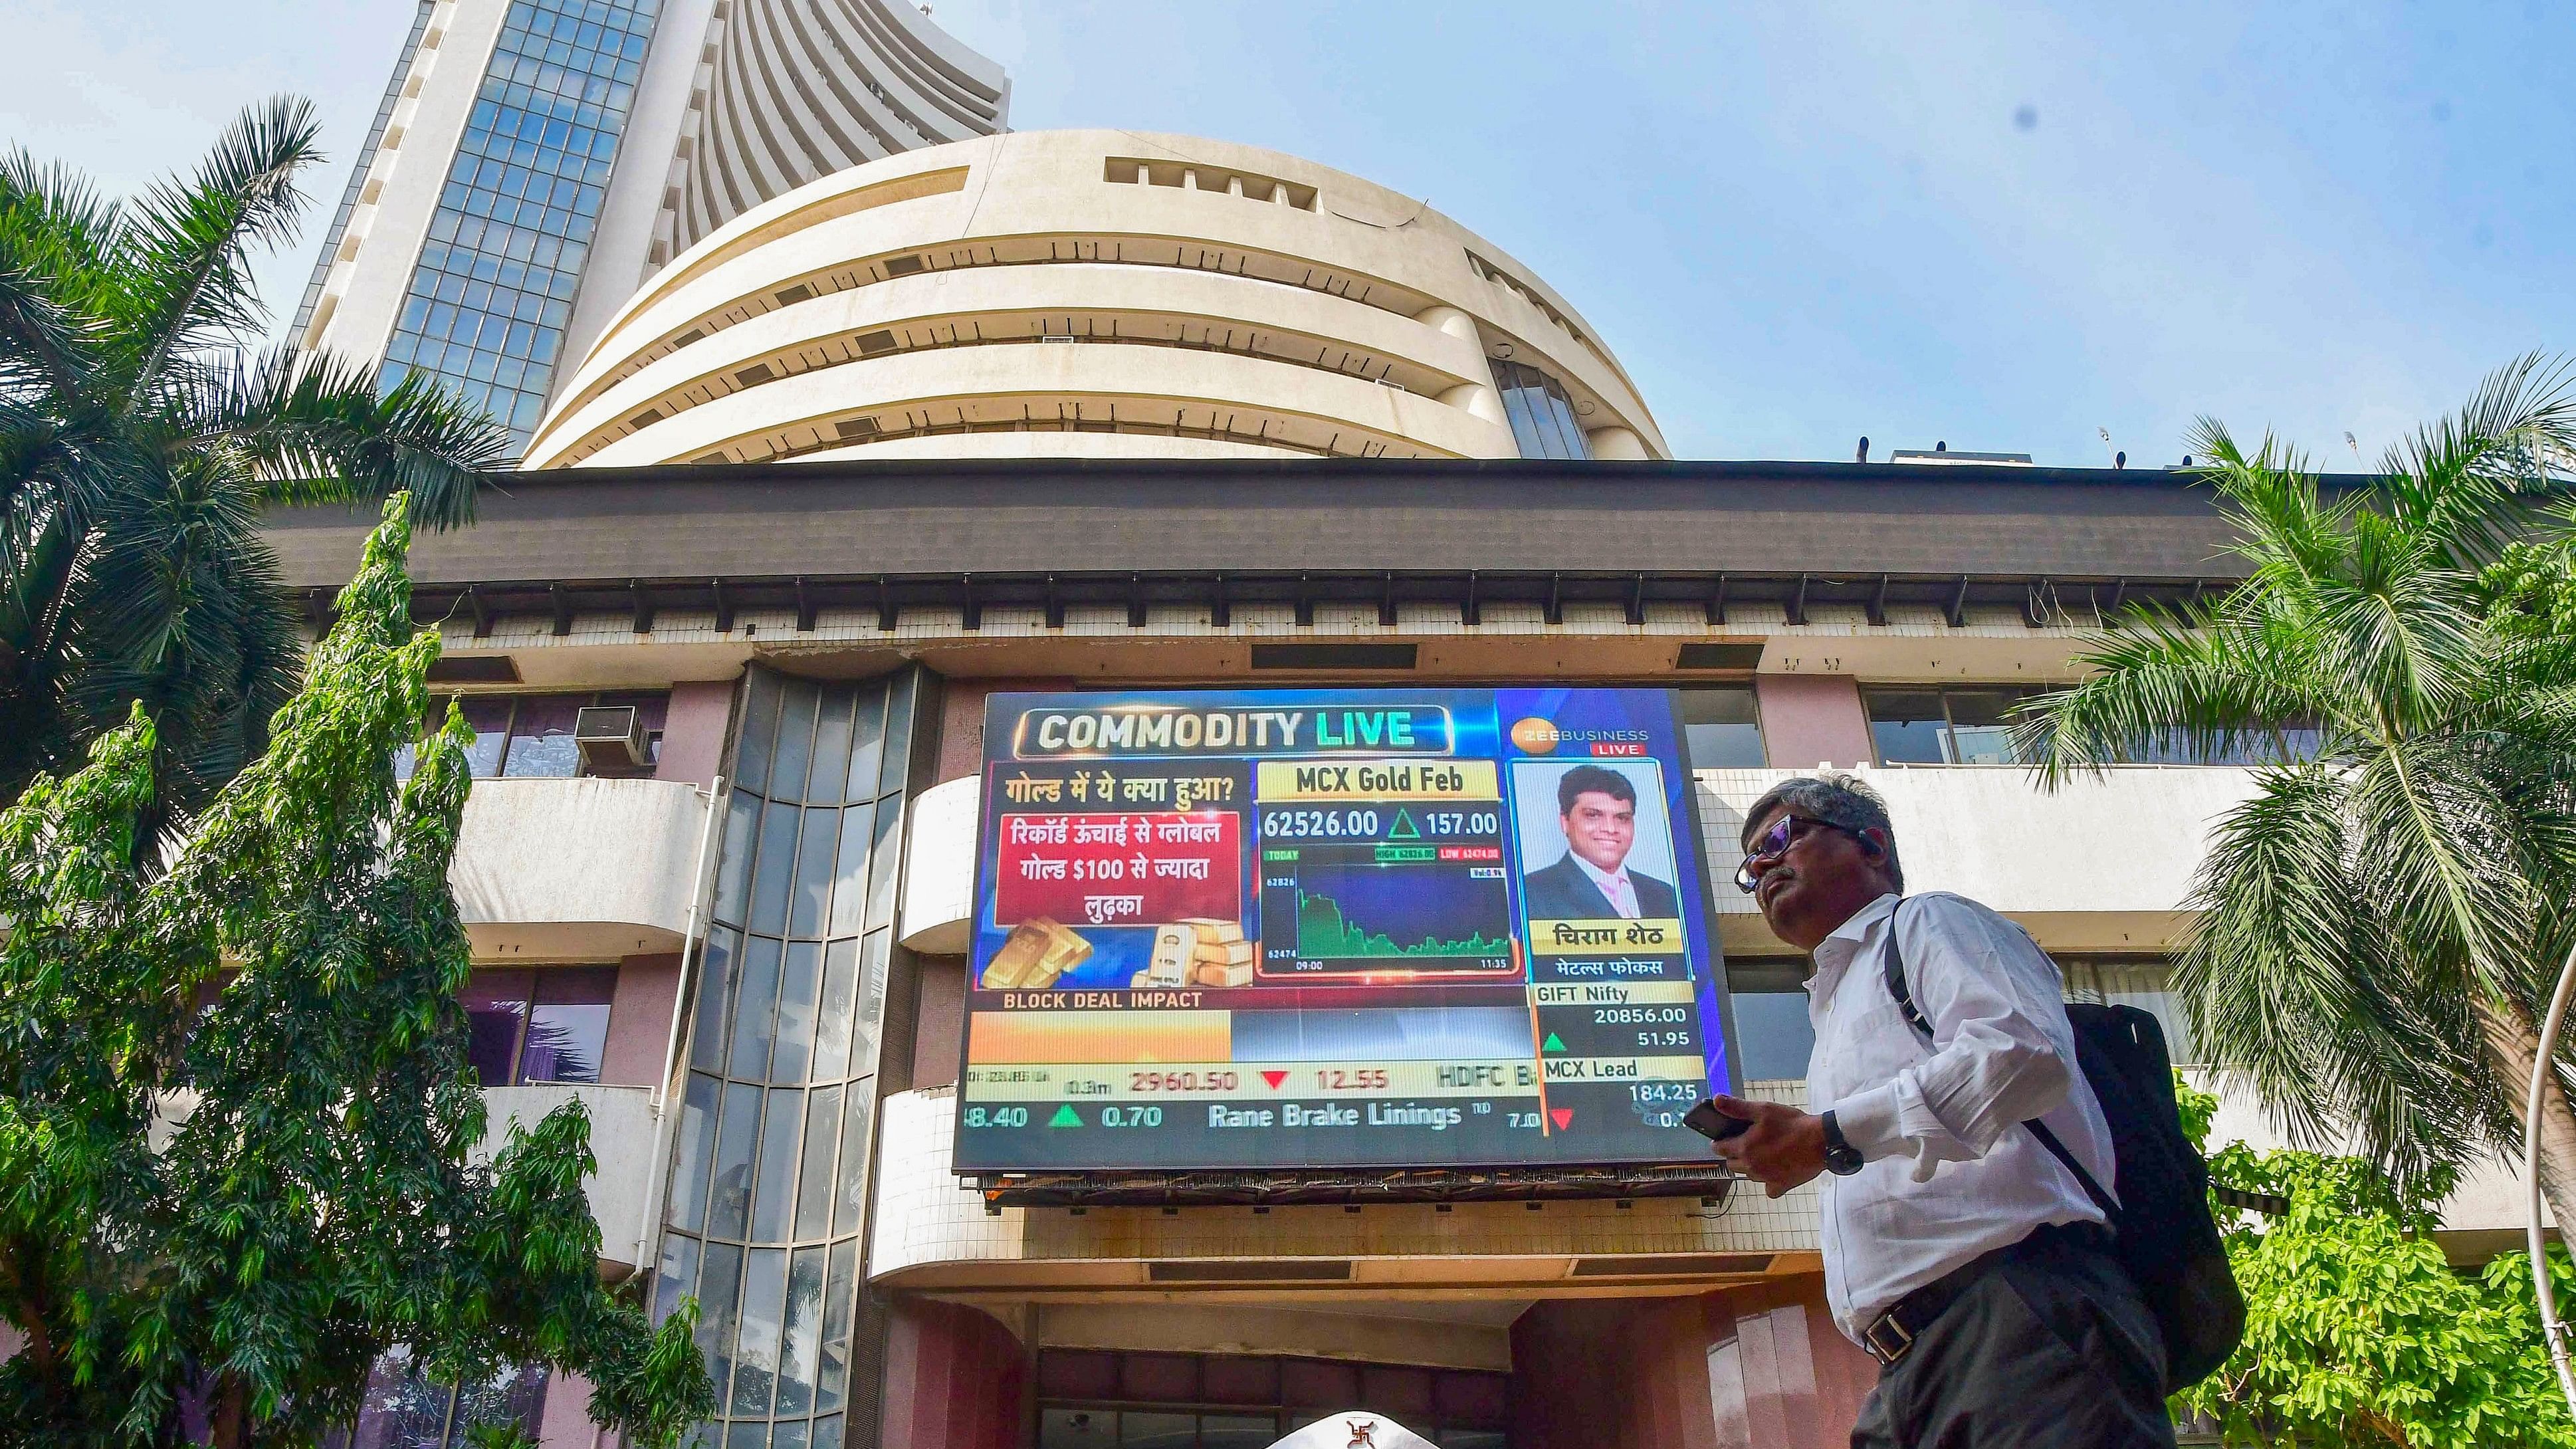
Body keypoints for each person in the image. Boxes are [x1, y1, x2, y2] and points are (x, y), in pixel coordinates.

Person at [1706, 773, 2174, 1448]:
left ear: (1870, 845)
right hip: (1905, 1369)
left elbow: (2023, 1051)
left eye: (1783, 836)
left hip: (2018, 1317)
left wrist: (1828, 1135)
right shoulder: (1832, 1013)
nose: (1765, 863)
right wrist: (1821, 1138)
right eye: (1753, 864)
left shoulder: (1928, 921)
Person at [1519, 764, 1680, 920]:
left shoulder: (1664, 895)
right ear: (1565, 822)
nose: (1610, 829)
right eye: (1593, 815)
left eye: (1622, 818)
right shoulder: (1531, 893)